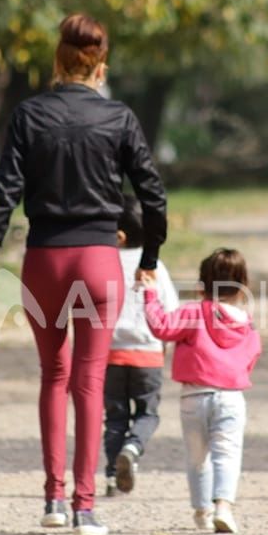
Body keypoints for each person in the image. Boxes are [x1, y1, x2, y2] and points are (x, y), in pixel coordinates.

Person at [0, 13, 167, 535]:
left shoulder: (29, 115)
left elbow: (3, 195)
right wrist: (149, 259)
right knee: (90, 381)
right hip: (100, 260)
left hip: (45, 260)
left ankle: (53, 498)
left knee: (53, 377)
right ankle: (85, 508)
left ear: (58, 59)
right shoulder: (120, 118)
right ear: (101, 65)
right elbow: (153, 195)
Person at [143, 248, 262, 534]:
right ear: (243, 286)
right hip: (232, 397)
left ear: (201, 285)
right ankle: (223, 506)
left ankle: (201, 509)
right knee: (227, 454)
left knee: (197, 457)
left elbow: (161, 326)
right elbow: (253, 354)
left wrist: (149, 295)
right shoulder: (247, 323)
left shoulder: (193, 312)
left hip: (193, 396)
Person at [103, 195, 179, 497]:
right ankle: (133, 447)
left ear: (118, 235)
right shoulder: (155, 267)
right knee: (148, 413)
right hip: (148, 354)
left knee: (115, 417)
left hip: (110, 355)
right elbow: (170, 311)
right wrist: (166, 348)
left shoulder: (103, 265)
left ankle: (111, 475)